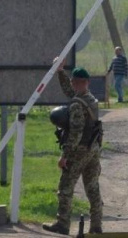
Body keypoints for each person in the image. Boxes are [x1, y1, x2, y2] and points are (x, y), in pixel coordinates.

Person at [43, 59, 103, 235]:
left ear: (76, 82)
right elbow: (72, 92)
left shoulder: (77, 105)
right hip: (94, 149)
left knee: (66, 188)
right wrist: (60, 72)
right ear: (87, 82)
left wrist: (64, 156)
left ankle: (62, 224)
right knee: (92, 188)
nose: (74, 85)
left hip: (80, 150)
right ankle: (96, 226)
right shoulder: (90, 98)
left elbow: (75, 133)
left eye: (75, 82)